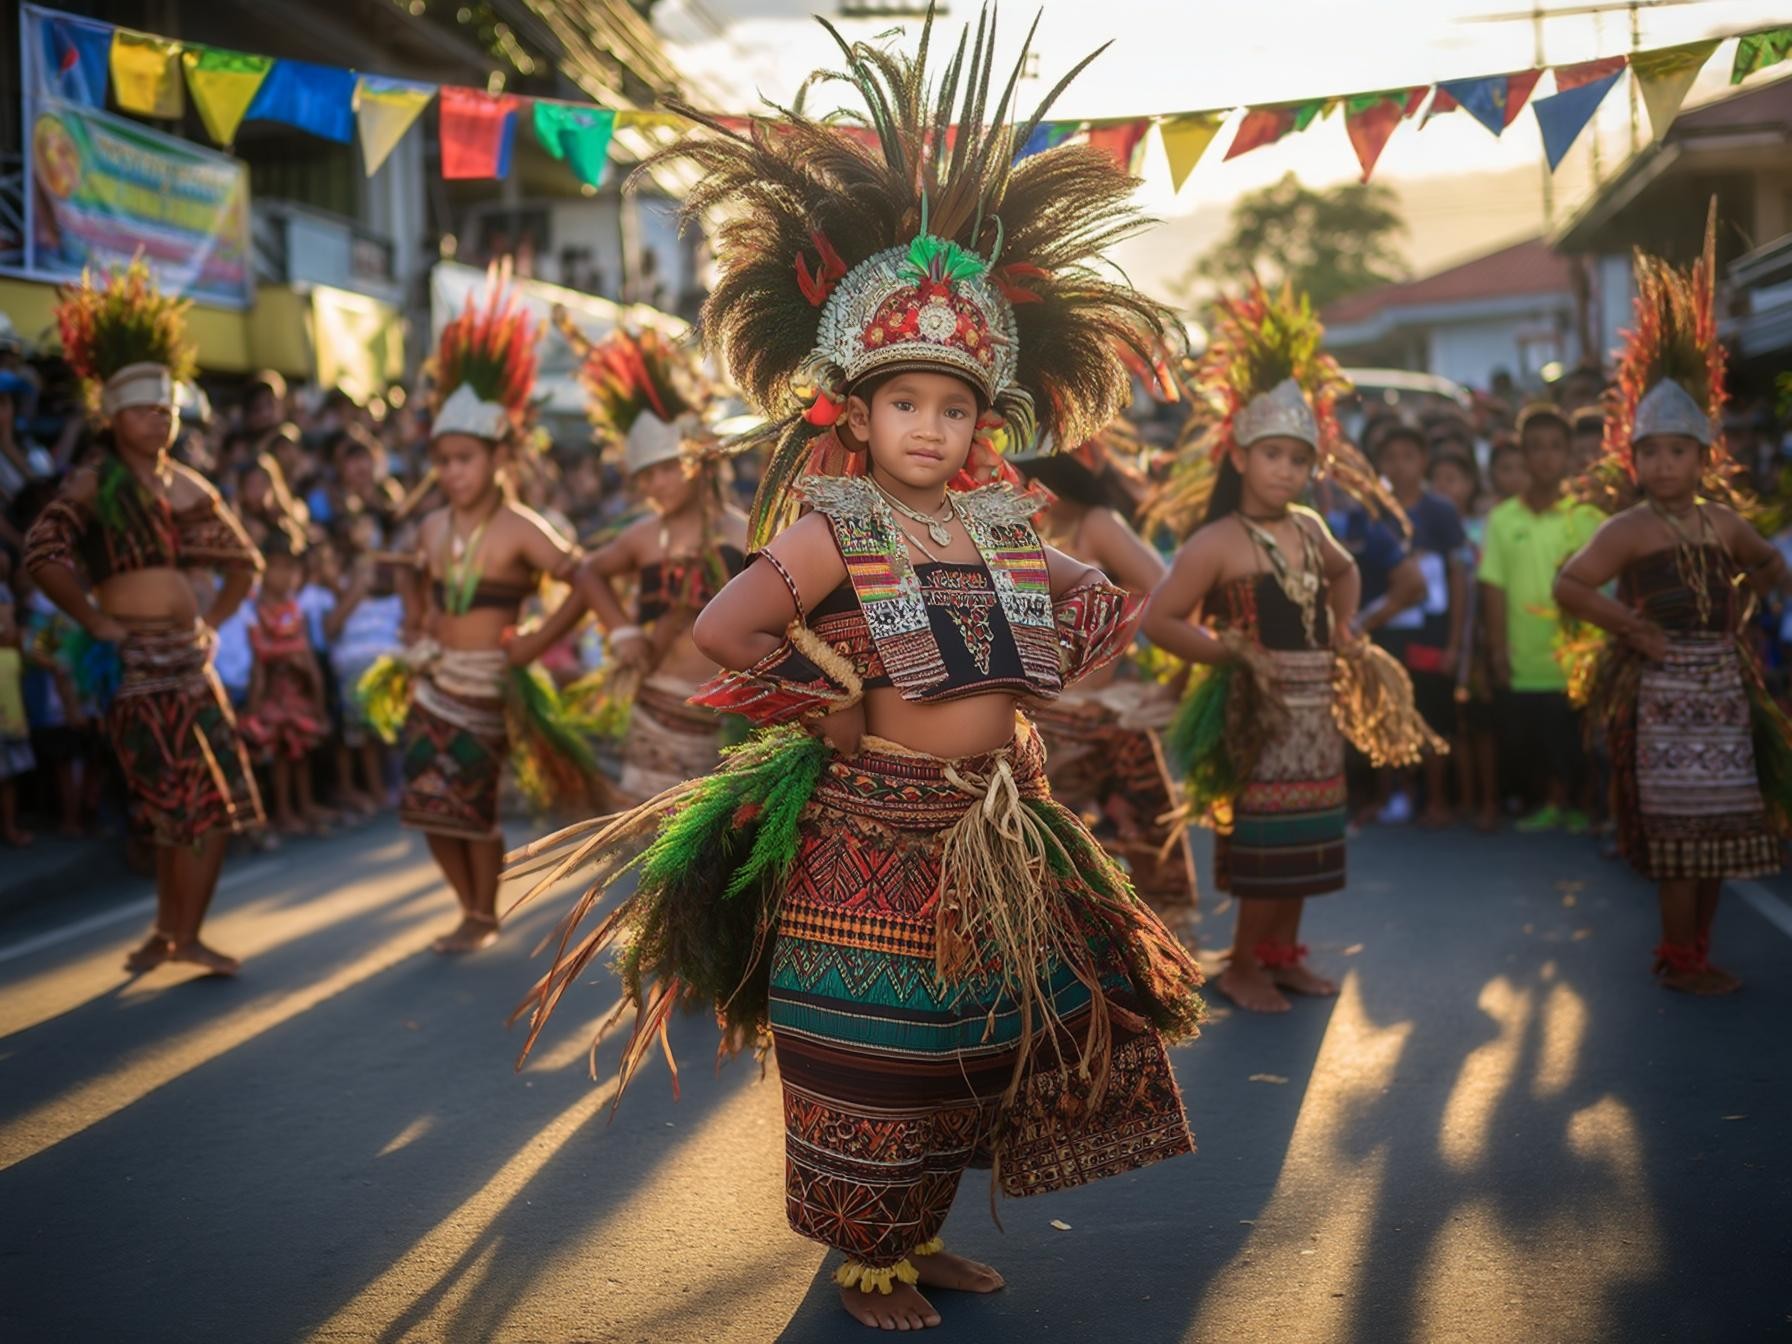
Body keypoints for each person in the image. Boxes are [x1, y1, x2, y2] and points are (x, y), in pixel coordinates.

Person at [506, 18, 1205, 1332]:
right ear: (857, 411)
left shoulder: (1003, 521)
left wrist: (1082, 624)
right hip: (874, 831)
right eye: (905, 406)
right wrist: (829, 701)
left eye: (953, 408)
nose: (930, 428)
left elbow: (1094, 599)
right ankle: (866, 1261)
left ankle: (921, 1235)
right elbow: (724, 630)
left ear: (980, 419)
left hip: (996, 823)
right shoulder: (840, 524)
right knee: (876, 1057)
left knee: (966, 1053)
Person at [1141, 283, 1441, 1014]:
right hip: (1257, 710)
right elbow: (1160, 620)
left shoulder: (1308, 528)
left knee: (1308, 842)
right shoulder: (1215, 542)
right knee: (1264, 845)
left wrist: (1345, 628)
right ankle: (1242, 963)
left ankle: (1283, 955)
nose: (1286, 471)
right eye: (1272, 455)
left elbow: (1346, 573)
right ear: (1240, 457)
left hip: (1315, 709)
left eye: (1299, 461)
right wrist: (1226, 653)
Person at [1555, 224, 1789, 995]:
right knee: (1678, 836)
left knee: (1722, 837)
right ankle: (1678, 956)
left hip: (1723, 690)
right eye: (1649, 451)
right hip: (1662, 697)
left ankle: (1700, 950)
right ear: (1635, 459)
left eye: (1677, 451)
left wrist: (1748, 611)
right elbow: (1569, 585)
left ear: (1704, 457)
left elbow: (1767, 563)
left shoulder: (1723, 521)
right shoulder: (1628, 529)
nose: (1663, 463)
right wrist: (1632, 629)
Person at [24, 260, 264, 975]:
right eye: (142, 409)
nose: (157, 418)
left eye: (166, 409)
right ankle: (176, 935)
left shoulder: (188, 486)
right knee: (177, 809)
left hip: (190, 664)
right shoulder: (94, 484)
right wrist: (94, 621)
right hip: (135, 669)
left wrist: (214, 622)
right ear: (111, 416)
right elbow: (43, 552)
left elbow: (245, 563)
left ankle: (175, 933)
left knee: (211, 810)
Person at [359, 269, 602, 955]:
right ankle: (470, 906)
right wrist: (416, 622)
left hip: (490, 682)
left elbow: (583, 581)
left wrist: (536, 640)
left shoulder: (524, 525)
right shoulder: (431, 528)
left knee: (472, 799)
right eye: (443, 460)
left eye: (465, 458)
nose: (454, 471)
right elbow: (417, 578)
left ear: (499, 455)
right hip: (435, 679)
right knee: (428, 804)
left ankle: (480, 912)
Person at [1015, 428, 1198, 933]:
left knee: (1118, 841)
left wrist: (1109, 643)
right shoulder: (987, 517)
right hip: (1019, 717)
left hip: (1088, 711)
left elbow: (1163, 590)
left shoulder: (1094, 522)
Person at [558, 321, 748, 800]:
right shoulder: (643, 537)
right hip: (654, 713)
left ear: (700, 459)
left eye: (666, 470)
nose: (654, 485)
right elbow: (588, 571)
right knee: (655, 855)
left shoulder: (744, 533)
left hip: (724, 721)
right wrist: (622, 631)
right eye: (644, 477)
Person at [1478, 404, 1603, 832]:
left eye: (1555, 447)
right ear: (1523, 455)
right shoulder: (1501, 518)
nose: (1545, 457)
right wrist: (1497, 648)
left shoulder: (1588, 518)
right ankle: (1549, 801)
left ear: (1569, 453)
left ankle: (1579, 805)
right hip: (1523, 651)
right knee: (1532, 735)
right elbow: (1492, 586)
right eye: (1535, 448)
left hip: (1575, 654)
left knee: (1575, 734)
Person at [1369, 422, 1467, 826]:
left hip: (1431, 632)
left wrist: (1454, 643)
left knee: (1431, 715)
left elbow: (1459, 578)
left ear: (1423, 461)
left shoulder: (1440, 511)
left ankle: (1437, 799)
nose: (1400, 465)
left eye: (1408, 456)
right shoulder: (1373, 514)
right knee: (1386, 712)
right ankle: (1394, 795)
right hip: (1387, 632)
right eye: (1390, 457)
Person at [239, 529, 330, 837]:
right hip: (270, 693)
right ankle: (283, 810)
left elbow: (304, 649)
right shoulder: (254, 607)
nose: (286, 575)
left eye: (291, 568)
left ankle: (303, 805)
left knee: (301, 750)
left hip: (297, 689)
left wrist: (314, 687)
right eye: (279, 567)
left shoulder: (294, 606)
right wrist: (288, 657)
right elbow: (260, 650)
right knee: (279, 753)